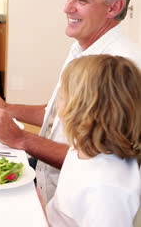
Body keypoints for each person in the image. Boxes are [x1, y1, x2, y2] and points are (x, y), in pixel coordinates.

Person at [0, 0, 141, 204]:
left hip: (74, 203)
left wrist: (21, 138)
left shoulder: (123, 68)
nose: (67, 7)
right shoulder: (81, 48)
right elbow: (56, 115)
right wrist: (7, 109)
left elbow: (101, 165)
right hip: (47, 183)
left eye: (81, 0)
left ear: (114, 7)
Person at [46, 55, 140, 226]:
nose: (57, 105)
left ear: (80, 110)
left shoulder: (106, 190)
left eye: (61, 96)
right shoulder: (80, 148)